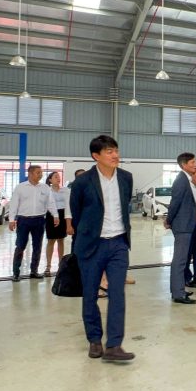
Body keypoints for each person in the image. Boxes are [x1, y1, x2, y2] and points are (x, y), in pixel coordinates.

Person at [67, 135, 135, 362]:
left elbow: (125, 206)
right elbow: (77, 213)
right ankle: (94, 340)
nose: (115, 155)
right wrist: (88, 234)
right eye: (109, 151)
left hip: (119, 243)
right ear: (96, 156)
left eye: (116, 150)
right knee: (90, 294)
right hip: (92, 245)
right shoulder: (83, 182)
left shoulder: (126, 178)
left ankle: (114, 345)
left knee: (117, 294)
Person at [8, 165, 59, 281]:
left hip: (39, 220)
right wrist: (11, 220)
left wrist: (55, 215)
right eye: (38, 172)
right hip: (23, 220)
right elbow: (14, 204)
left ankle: (34, 271)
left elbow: (50, 202)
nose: (41, 175)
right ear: (30, 174)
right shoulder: (20, 187)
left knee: (37, 246)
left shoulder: (45, 188)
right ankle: (16, 273)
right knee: (20, 246)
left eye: (41, 172)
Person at [166, 152, 196, 304]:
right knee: (179, 261)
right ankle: (178, 293)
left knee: (182, 259)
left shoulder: (186, 179)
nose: (195, 164)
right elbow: (175, 203)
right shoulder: (181, 181)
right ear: (184, 165)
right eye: (192, 162)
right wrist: (168, 220)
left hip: (186, 224)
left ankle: (179, 289)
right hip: (182, 226)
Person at [43, 171, 70, 276]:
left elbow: (68, 204)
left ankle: (60, 265)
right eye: (55, 177)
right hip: (51, 216)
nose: (58, 178)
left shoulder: (65, 190)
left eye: (59, 177)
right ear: (50, 180)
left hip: (63, 215)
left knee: (61, 240)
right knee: (51, 240)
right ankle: (48, 266)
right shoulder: (47, 191)